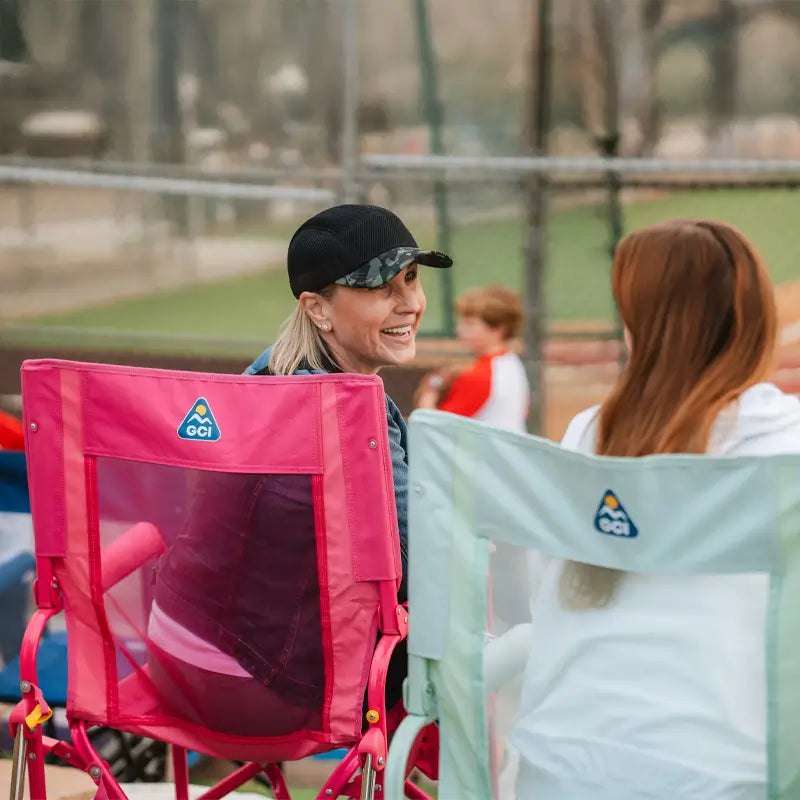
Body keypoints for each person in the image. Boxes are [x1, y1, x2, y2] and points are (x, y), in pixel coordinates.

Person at [511, 219, 798, 799]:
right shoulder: (787, 445)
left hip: (554, 770)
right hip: (736, 777)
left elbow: (552, 591)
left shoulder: (588, 435)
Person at [148, 204, 452, 735]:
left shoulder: (261, 374)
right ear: (317, 308)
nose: (411, 303)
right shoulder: (359, 417)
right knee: (465, 623)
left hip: (170, 656)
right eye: (383, 287)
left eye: (411, 279)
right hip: (260, 688)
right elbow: (418, 563)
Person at [415, 285, 529, 433]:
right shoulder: (511, 361)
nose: (460, 330)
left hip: (487, 455)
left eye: (470, 324)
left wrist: (431, 389)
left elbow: (433, 426)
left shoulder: (479, 374)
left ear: (499, 329)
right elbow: (524, 410)